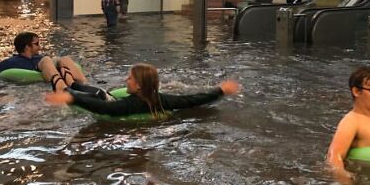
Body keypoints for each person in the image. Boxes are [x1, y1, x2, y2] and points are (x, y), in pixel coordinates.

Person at [45, 63, 240, 119]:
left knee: (75, 88)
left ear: (138, 86)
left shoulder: (129, 105)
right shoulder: (162, 99)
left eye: (129, 77)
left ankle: (61, 75)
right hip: (105, 97)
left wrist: (71, 99)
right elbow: (192, 100)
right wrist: (220, 90)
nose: (125, 80)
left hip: (100, 97)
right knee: (80, 85)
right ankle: (66, 75)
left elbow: (104, 109)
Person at [0, 31, 89, 94]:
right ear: (27, 47)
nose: (39, 47)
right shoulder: (10, 63)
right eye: (36, 44)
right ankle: (61, 88)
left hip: (48, 70)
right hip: (40, 76)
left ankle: (85, 85)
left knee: (65, 58)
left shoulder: (38, 57)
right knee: (46, 59)